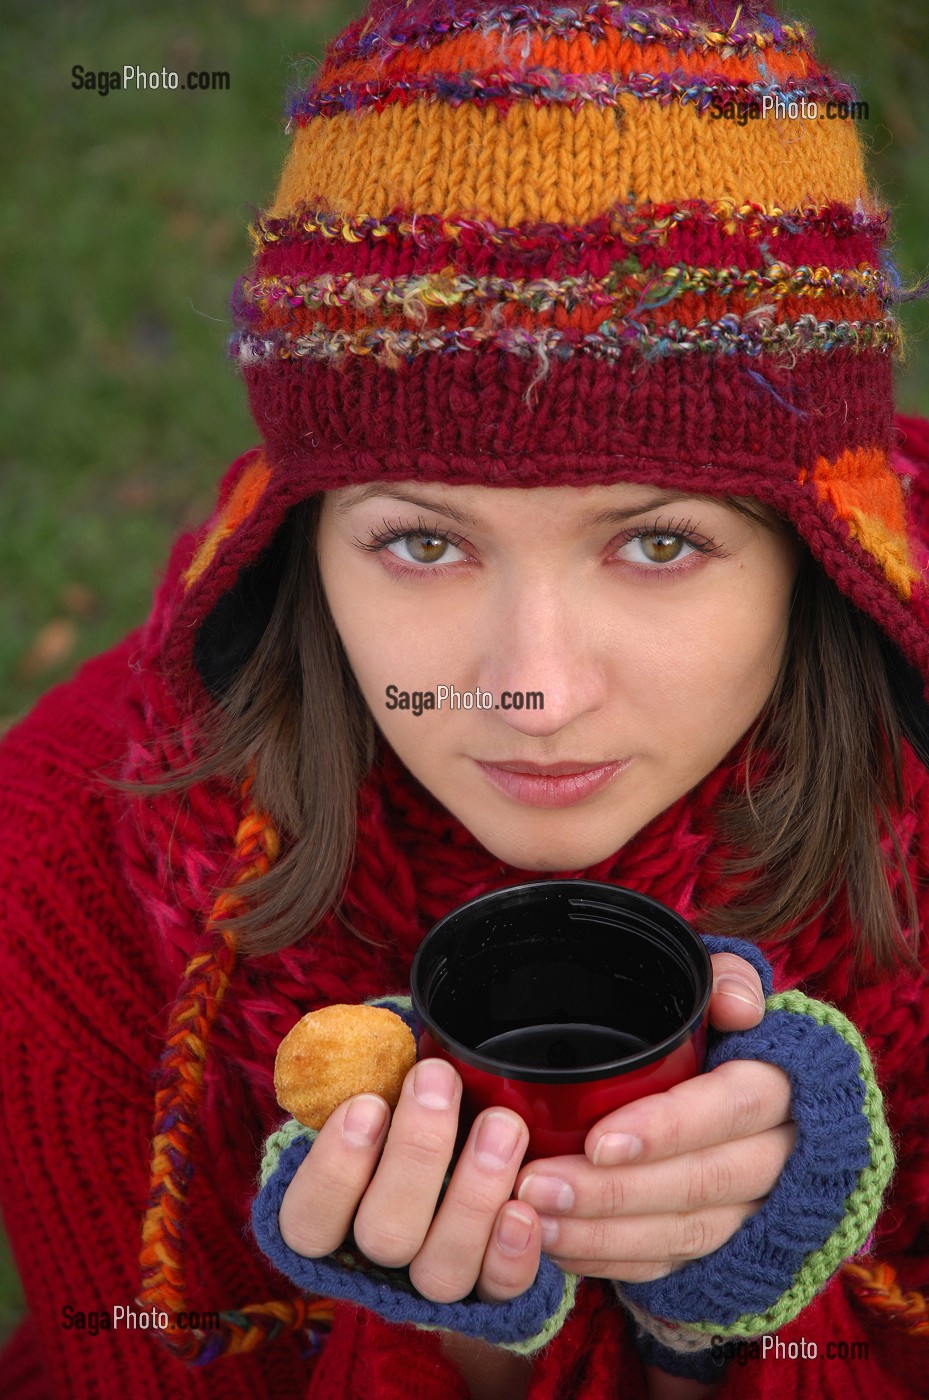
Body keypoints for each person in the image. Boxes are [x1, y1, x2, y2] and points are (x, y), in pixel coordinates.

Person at [0, 0, 927, 1396]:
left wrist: (734, 1330)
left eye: (658, 542)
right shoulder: (65, 847)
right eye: (422, 542)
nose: (533, 688)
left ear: (820, 552)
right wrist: (441, 1340)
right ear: (296, 533)